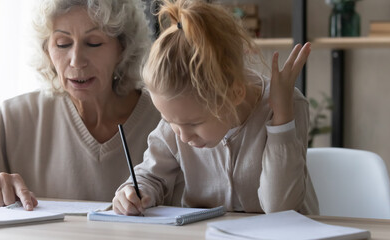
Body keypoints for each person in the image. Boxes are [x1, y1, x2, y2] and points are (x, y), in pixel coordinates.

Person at [113, 0, 319, 216]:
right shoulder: (180, 115)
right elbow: (150, 176)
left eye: (194, 123)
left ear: (234, 94)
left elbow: (281, 210)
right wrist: (133, 193)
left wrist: (282, 118)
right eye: (169, 121)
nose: (182, 136)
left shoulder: (287, 103)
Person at [0, 0, 161, 211]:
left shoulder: (170, 120)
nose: (76, 61)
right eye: (63, 44)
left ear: (123, 47)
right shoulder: (16, 117)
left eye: (94, 43)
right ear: (46, 51)